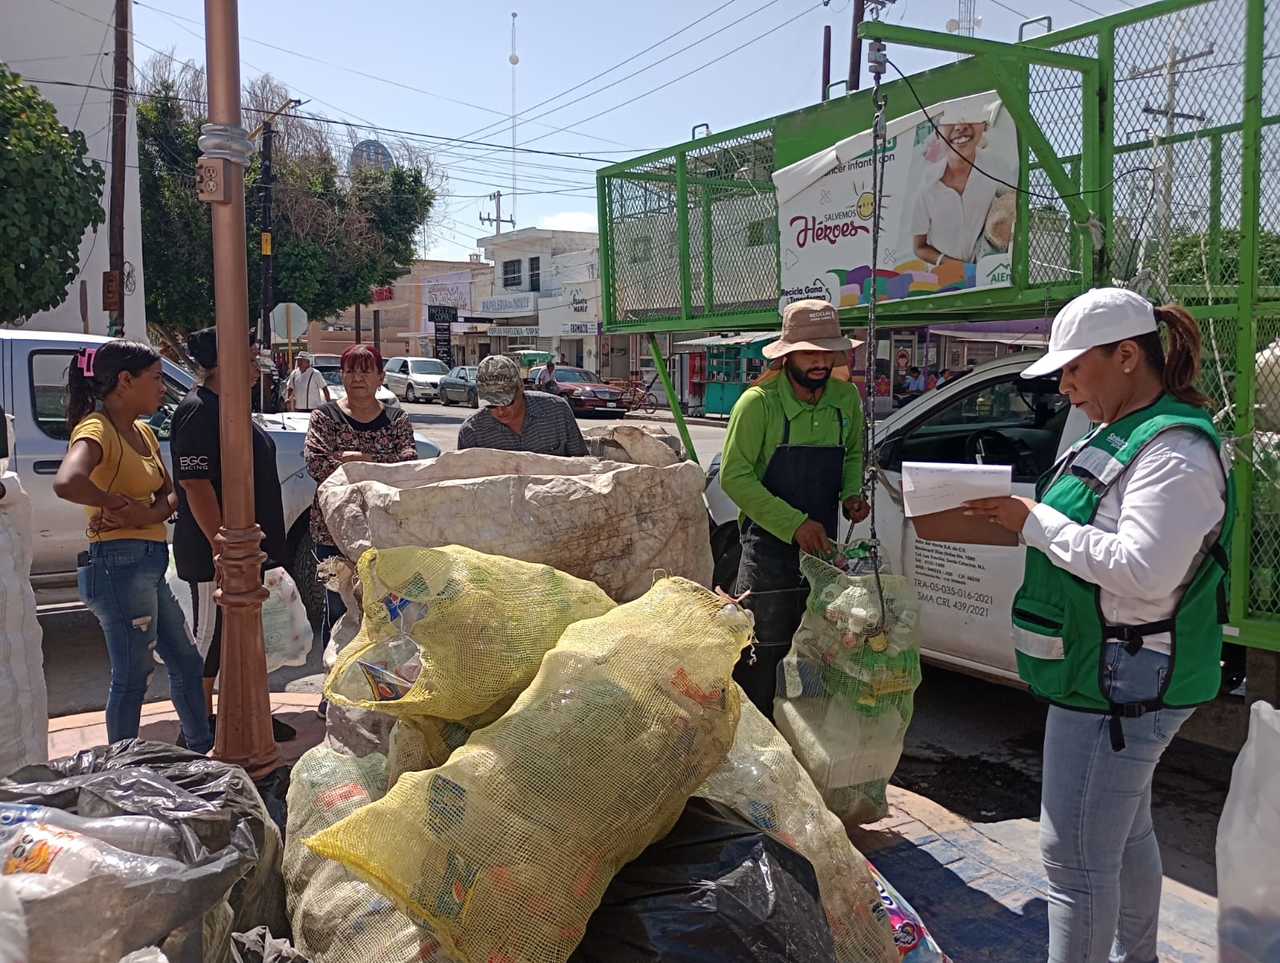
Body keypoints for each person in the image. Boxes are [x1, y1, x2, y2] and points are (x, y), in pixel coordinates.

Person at [962, 288, 1233, 963]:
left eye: (1076, 368)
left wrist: (1037, 523)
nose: (1066, 384)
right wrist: (1023, 519)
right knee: (1123, 831)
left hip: (1123, 680)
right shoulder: (1118, 430)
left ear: (1128, 355)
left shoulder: (1174, 451)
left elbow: (1144, 570)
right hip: (1110, 669)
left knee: (1075, 863)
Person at [53, 341, 212, 754]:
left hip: (149, 562)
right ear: (125, 382)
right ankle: (122, 770)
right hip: (117, 566)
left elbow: (171, 494)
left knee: (187, 662)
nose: (163, 389)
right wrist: (112, 504)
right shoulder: (97, 429)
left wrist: (140, 515)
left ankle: (200, 750)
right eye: (156, 379)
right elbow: (68, 481)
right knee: (132, 675)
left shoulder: (141, 431)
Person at [719, 299, 870, 719]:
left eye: (827, 352)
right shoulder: (758, 404)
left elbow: (854, 453)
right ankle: (754, 751)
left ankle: (804, 744)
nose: (820, 362)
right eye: (809, 353)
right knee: (761, 653)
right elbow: (735, 477)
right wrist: (793, 524)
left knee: (817, 651)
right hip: (767, 550)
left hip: (822, 550)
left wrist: (851, 494)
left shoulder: (846, 399)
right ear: (787, 355)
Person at [170, 327, 293, 743]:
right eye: (250, 353)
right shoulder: (198, 410)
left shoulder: (230, 407)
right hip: (214, 553)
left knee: (246, 637)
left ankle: (248, 711)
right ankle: (199, 726)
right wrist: (222, 546)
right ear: (224, 361)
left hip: (251, 550)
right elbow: (195, 484)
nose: (258, 363)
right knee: (209, 640)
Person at [304, 344, 417, 648]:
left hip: (387, 534)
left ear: (380, 377)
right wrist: (379, 461)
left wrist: (355, 459)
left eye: (366, 370)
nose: (357, 377)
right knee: (337, 611)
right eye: (350, 370)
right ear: (341, 375)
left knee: (390, 614)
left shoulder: (397, 419)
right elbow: (317, 464)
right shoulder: (324, 417)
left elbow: (408, 467)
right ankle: (334, 686)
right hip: (331, 536)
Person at [912, 107, 1012, 267]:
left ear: (984, 125)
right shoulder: (926, 187)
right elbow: (919, 247)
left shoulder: (996, 166)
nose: (960, 126)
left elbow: (1015, 199)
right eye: (949, 120)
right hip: (941, 281)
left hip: (987, 275)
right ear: (937, 133)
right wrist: (955, 266)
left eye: (971, 115)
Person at [458, 355, 588, 457]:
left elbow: (583, 464)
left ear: (520, 388)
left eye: (507, 402)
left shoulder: (557, 412)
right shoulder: (472, 431)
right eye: (491, 405)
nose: (500, 411)